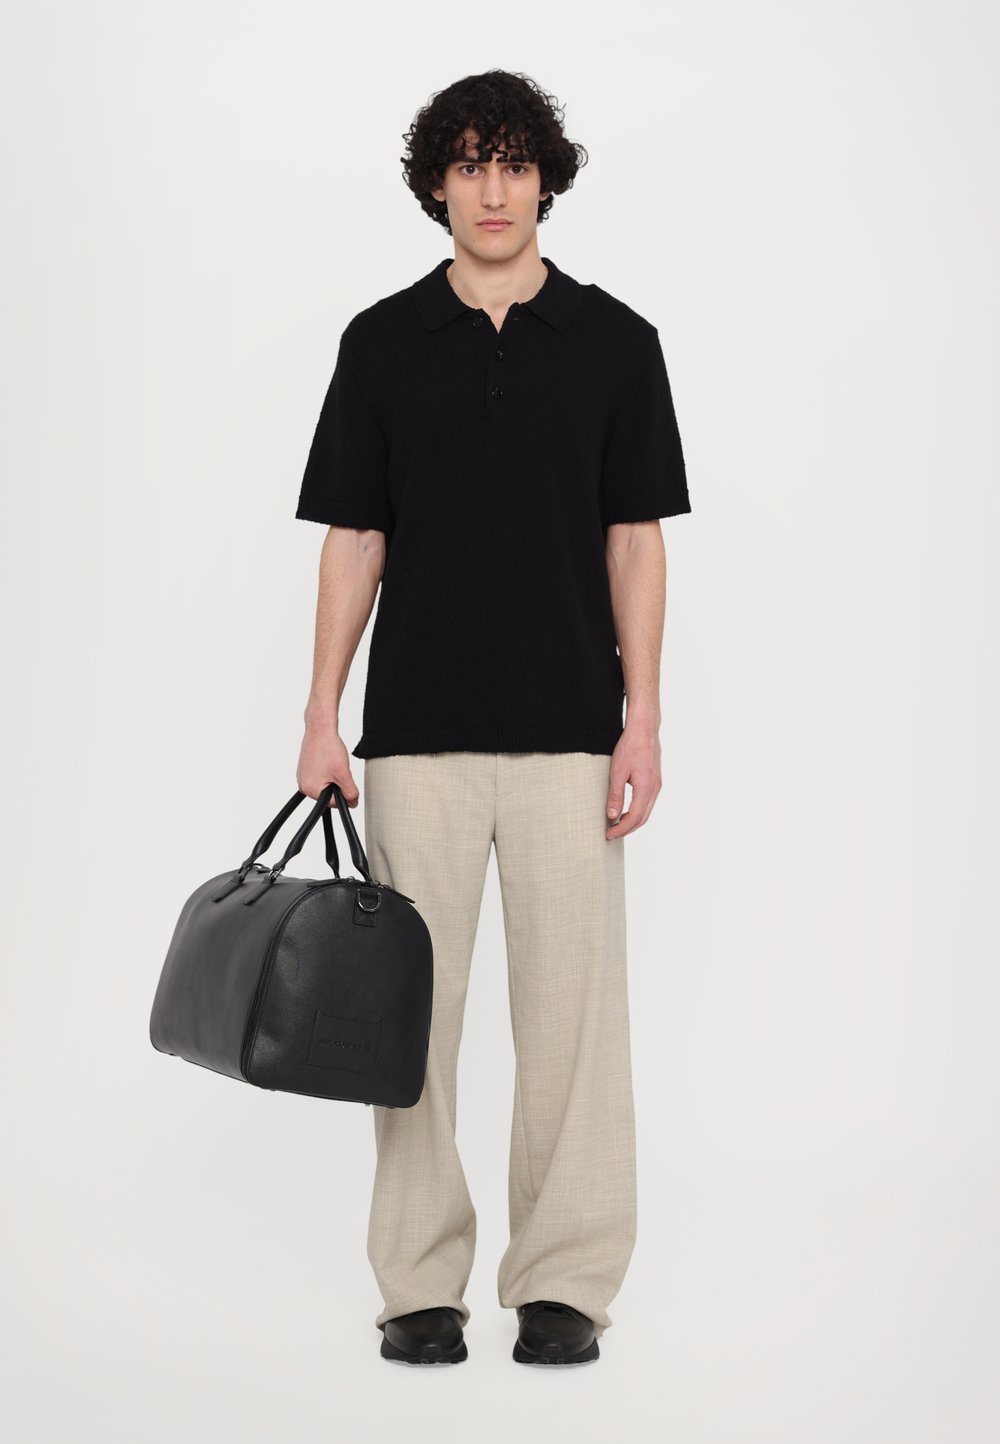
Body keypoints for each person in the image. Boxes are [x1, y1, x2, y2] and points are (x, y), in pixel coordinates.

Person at [294, 68, 691, 1367]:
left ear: (545, 180)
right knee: (409, 1019)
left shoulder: (617, 343)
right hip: (415, 740)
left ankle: (564, 1281)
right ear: (437, 185)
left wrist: (642, 721)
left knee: (574, 1023)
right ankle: (418, 1285)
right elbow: (356, 538)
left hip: (574, 735)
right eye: (469, 164)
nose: (494, 188)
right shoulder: (380, 343)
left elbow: (635, 541)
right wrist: (321, 716)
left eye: (514, 162)